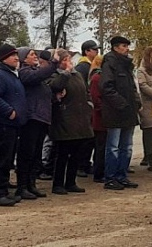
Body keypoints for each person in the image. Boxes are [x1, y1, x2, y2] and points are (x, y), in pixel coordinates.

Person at [48, 49, 94, 194]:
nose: (69, 62)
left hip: (80, 118)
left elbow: (85, 91)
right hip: (64, 119)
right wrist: (66, 72)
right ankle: (58, 184)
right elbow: (56, 86)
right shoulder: (55, 75)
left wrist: (89, 104)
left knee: (76, 153)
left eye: (69, 59)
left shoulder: (78, 75)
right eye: (64, 60)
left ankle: (71, 182)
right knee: (62, 154)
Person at [0, 44, 26, 207]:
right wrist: (10, 112)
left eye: (17, 55)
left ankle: (3, 191)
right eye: (12, 55)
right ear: (3, 58)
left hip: (12, 125)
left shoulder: (11, 74)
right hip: (2, 123)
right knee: (1, 159)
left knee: (7, 159)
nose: (16, 58)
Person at [16, 47, 59, 199]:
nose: (35, 56)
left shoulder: (35, 72)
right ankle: (22, 186)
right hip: (31, 118)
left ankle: (31, 184)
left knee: (35, 154)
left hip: (41, 118)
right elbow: (38, 76)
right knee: (27, 153)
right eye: (31, 54)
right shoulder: (24, 72)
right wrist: (54, 63)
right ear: (23, 58)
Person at [101, 36, 140, 190]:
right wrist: (121, 104)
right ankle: (110, 178)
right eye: (124, 46)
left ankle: (122, 176)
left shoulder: (127, 65)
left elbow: (133, 87)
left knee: (127, 147)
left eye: (127, 46)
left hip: (129, 112)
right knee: (113, 147)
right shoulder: (110, 63)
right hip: (115, 113)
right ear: (115, 47)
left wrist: (137, 103)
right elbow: (106, 87)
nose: (127, 48)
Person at [74, 40, 100, 177]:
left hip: (90, 107)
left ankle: (85, 163)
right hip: (86, 107)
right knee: (86, 138)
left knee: (91, 138)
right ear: (87, 52)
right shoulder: (83, 68)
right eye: (94, 50)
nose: (97, 52)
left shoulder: (91, 66)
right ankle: (80, 165)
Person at [88, 55, 106, 183]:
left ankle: (101, 170)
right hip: (100, 118)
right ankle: (98, 173)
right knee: (100, 146)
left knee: (103, 146)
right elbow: (96, 99)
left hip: (105, 117)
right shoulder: (96, 78)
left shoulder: (100, 77)